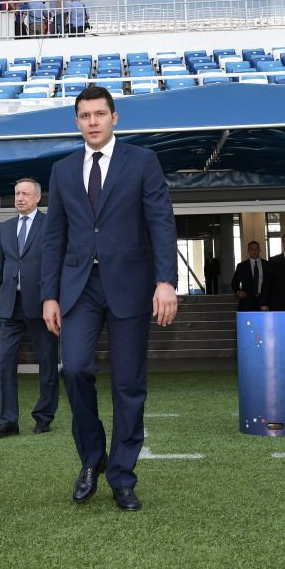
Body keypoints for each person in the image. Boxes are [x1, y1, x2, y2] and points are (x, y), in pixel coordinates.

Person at [41, 85, 177, 511]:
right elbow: (54, 237)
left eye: (100, 113)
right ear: (77, 121)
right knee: (76, 369)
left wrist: (166, 281)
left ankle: (122, 476)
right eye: (85, 115)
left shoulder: (143, 161)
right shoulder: (62, 170)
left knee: (128, 384)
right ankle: (92, 456)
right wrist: (49, 295)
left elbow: (160, 221)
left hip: (131, 285)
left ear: (114, 118)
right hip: (79, 287)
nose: (93, 121)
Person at [0, 178, 59, 437]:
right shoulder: (5, 228)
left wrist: (54, 300)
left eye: (25, 194)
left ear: (37, 198)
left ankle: (44, 416)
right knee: (5, 364)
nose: (19, 198)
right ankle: (8, 421)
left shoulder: (51, 225)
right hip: (10, 306)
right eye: (17, 193)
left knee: (48, 363)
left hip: (42, 306)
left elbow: (56, 264)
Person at [262, 233, 285, 312]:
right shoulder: (274, 261)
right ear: (283, 244)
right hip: (278, 301)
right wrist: (264, 302)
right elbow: (266, 282)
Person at [230, 241, 268, 312]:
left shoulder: (267, 265)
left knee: (263, 323)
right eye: (252, 249)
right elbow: (234, 282)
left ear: (259, 250)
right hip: (247, 301)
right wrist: (238, 291)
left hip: (263, 301)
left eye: (256, 248)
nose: (254, 251)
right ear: (248, 251)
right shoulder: (241, 266)